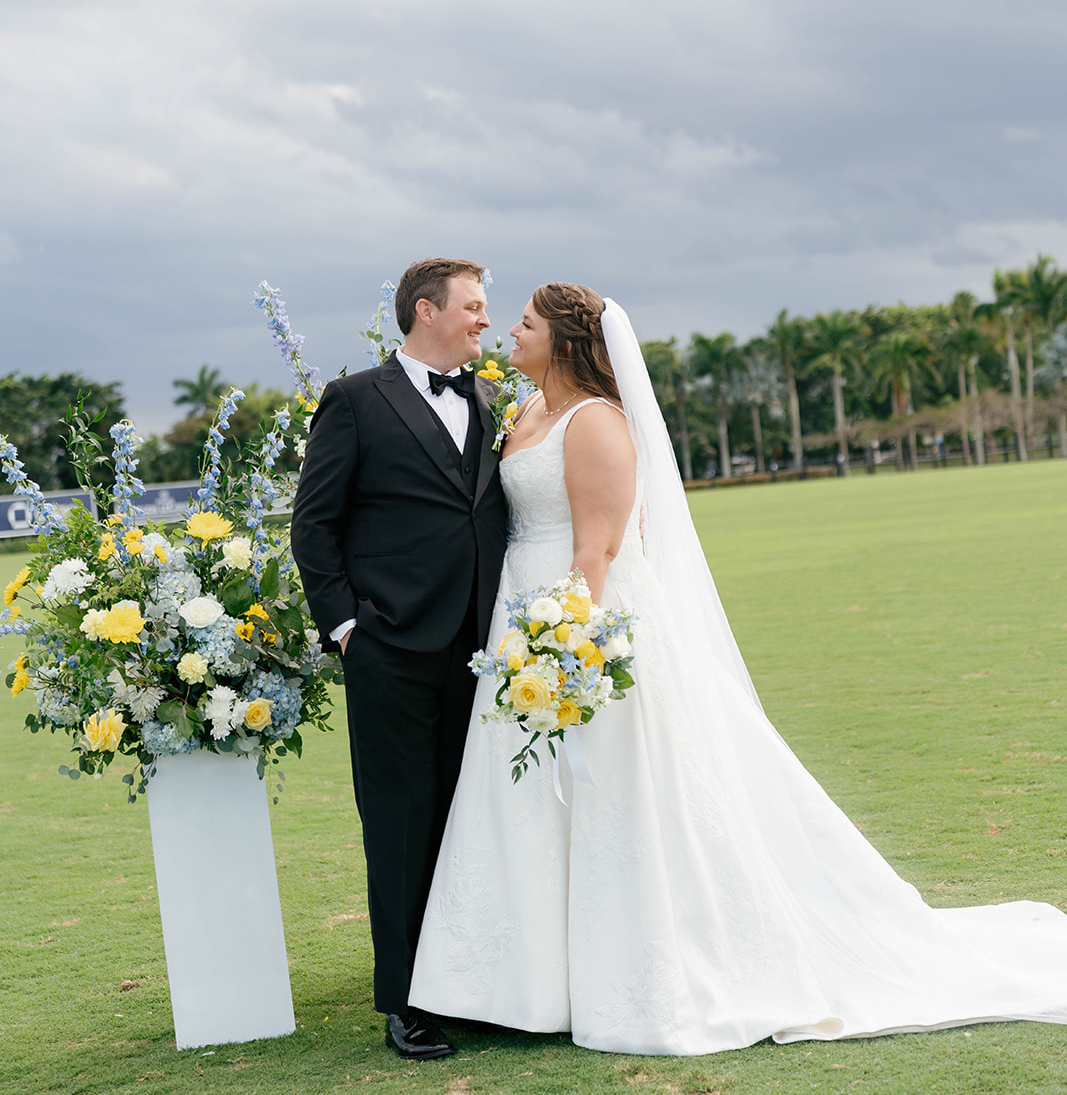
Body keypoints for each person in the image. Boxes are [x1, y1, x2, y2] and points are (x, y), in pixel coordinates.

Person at [409, 283, 1067, 1054]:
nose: (508, 331)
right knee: (524, 801)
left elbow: (598, 547)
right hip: (516, 616)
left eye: (525, 323)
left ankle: (638, 963)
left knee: (613, 791)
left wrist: (565, 648)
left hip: (578, 623)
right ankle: (523, 981)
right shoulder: (522, 412)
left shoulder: (595, 422)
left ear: (564, 340)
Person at [291, 258, 508, 1060]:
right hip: (390, 647)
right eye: (473, 305)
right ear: (426, 310)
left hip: (481, 650)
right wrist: (347, 627)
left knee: (470, 818)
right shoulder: (354, 399)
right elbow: (313, 524)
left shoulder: (487, 399)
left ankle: (470, 989)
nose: (485, 319)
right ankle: (407, 1001)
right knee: (400, 821)